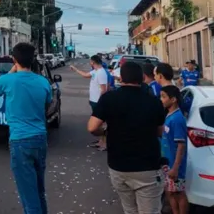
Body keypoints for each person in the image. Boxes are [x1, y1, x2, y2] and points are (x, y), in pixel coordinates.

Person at [88, 61, 165, 214]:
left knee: (130, 209)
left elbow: (92, 127)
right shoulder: (154, 102)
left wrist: (105, 133)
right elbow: (160, 132)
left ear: (120, 78)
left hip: (119, 165)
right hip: (147, 167)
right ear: (142, 78)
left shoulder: (109, 98)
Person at [0, 42, 52, 214]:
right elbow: (48, 102)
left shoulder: (7, 80)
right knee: (39, 191)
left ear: (14, 60)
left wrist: (11, 71)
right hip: (40, 139)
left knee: (29, 196)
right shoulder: (43, 82)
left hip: (20, 141)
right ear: (33, 60)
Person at [160, 85, 189, 214]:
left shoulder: (177, 119)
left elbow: (181, 145)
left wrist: (175, 168)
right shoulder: (169, 116)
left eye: (163, 97)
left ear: (173, 100)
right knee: (170, 193)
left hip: (174, 165)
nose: (161, 99)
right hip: (168, 163)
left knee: (178, 193)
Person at [70, 55, 108, 150]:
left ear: (93, 62)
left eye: (90, 62)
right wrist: (75, 69)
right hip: (94, 100)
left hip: (98, 101)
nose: (89, 63)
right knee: (99, 123)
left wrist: (100, 102)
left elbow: (104, 89)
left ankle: (105, 143)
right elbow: (85, 75)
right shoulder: (95, 71)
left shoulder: (101, 73)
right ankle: (101, 141)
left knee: (101, 123)